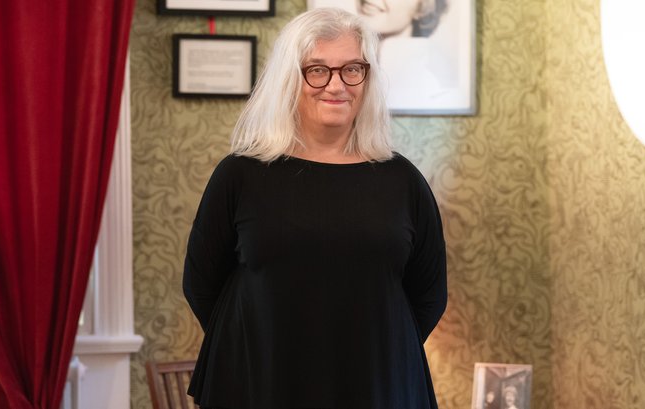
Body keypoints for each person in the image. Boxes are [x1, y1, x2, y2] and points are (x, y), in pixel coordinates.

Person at [183, 7, 448, 409]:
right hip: (260, 381)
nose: (336, 85)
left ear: (368, 78)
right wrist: (257, 345)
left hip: (376, 382)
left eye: (351, 69)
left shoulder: (402, 180)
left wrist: (373, 352)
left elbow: (429, 294)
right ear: (290, 79)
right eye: (317, 69)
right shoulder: (240, 174)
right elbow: (202, 284)